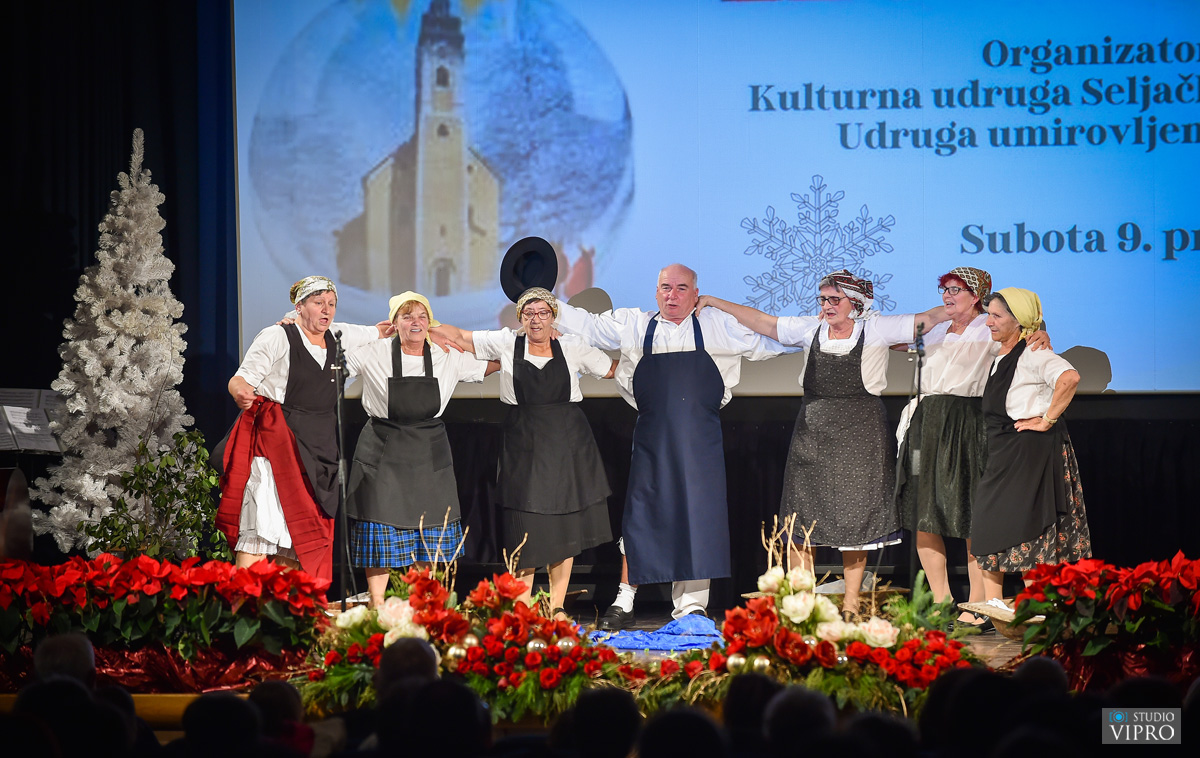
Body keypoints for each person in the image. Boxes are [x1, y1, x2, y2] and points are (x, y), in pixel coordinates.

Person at [698, 270, 946, 617]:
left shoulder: (876, 329)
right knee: (801, 520)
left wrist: (964, 305)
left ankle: (850, 603)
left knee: (856, 520)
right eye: (823, 299)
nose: (827, 305)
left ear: (854, 303)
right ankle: (803, 603)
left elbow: (928, 319)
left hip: (861, 433)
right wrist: (713, 301)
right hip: (813, 432)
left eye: (834, 299)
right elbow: (763, 323)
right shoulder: (810, 329)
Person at [555, 263, 789, 626]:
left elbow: (775, 337)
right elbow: (587, 325)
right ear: (656, 292)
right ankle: (625, 600)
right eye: (666, 287)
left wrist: (824, 331)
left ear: (696, 294)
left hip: (700, 440)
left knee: (698, 515)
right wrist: (543, 299)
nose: (672, 295)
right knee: (641, 514)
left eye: (681, 289)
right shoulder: (635, 325)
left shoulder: (717, 325)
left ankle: (691, 607)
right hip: (653, 437)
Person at [429, 287, 617, 619]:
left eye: (543, 313)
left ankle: (557, 607)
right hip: (524, 443)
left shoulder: (571, 346)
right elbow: (458, 335)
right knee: (524, 527)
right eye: (529, 313)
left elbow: (611, 369)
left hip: (567, 444)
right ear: (520, 318)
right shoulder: (506, 343)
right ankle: (521, 609)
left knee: (564, 528)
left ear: (553, 317)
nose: (536, 319)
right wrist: (420, 324)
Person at [894, 267, 1050, 629]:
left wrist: (1041, 331)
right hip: (924, 421)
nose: (947, 296)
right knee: (923, 511)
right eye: (944, 289)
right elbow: (890, 338)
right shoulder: (935, 330)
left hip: (966, 423)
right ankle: (941, 599)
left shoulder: (987, 327)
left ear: (976, 295)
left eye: (956, 290)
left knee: (969, 512)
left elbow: (1023, 336)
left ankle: (979, 602)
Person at [216, 276, 386, 581]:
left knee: (297, 539)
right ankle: (245, 601)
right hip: (276, 444)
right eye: (319, 303)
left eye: (331, 304)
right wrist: (240, 391)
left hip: (318, 445)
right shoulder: (276, 336)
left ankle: (285, 605)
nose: (327, 309)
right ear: (299, 307)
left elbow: (380, 331)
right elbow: (241, 378)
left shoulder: (339, 335)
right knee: (263, 525)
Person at [344, 292, 498, 607]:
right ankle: (377, 604)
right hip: (383, 449)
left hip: (428, 452)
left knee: (429, 533)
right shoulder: (373, 352)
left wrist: (460, 338)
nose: (415, 322)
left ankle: (422, 605)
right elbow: (328, 355)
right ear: (394, 323)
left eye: (421, 316)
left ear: (430, 322)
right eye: (407, 316)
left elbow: (493, 361)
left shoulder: (446, 355)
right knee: (379, 529)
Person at [972, 288, 1090, 604]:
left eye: (996, 316)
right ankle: (993, 610)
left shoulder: (1035, 352)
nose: (989, 322)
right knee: (989, 525)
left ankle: (1039, 612)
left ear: (1019, 320)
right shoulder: (1002, 352)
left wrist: (1048, 419)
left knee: (1030, 528)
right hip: (1005, 449)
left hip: (1029, 452)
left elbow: (1070, 377)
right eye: (989, 315)